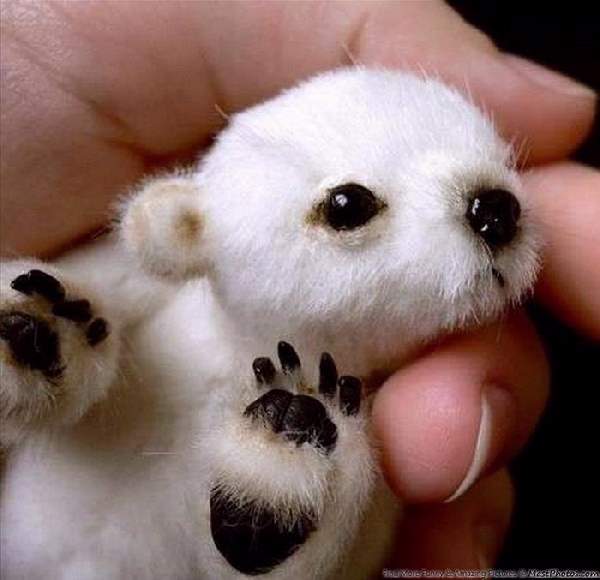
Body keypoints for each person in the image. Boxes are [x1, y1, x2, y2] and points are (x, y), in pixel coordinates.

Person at [1, 0, 597, 569]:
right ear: (187, 232)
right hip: (33, 516)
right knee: (67, 318)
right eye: (348, 210)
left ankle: (275, 510)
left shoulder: (377, 409)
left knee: (358, 477)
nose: (490, 209)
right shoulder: (180, 267)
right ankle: (34, 352)